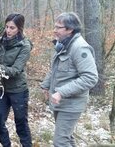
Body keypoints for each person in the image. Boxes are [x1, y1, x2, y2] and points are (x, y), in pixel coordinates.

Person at [41, 12, 98, 147]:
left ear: (70, 29)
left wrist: (61, 92)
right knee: (67, 139)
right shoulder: (63, 45)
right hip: (60, 102)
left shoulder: (79, 47)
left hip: (71, 104)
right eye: (55, 26)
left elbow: (90, 77)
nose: (54, 30)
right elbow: (55, 69)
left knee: (60, 142)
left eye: (58, 27)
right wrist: (46, 85)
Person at [0, 13, 32, 147]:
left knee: (21, 125)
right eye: (7, 27)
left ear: (19, 29)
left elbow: (15, 70)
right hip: (3, 91)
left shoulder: (24, 46)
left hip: (19, 91)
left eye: (12, 28)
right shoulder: (1, 40)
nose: (8, 31)